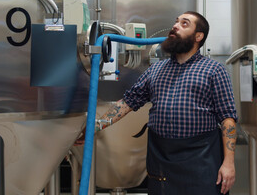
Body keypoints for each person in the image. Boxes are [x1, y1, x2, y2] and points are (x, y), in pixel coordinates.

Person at [93, 11, 238, 195]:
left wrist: (229, 163)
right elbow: (128, 102)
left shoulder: (214, 70)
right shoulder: (157, 69)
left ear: (198, 36)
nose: (175, 26)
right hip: (161, 159)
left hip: (201, 160)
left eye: (184, 24)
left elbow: (227, 118)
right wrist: (95, 127)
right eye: (176, 22)